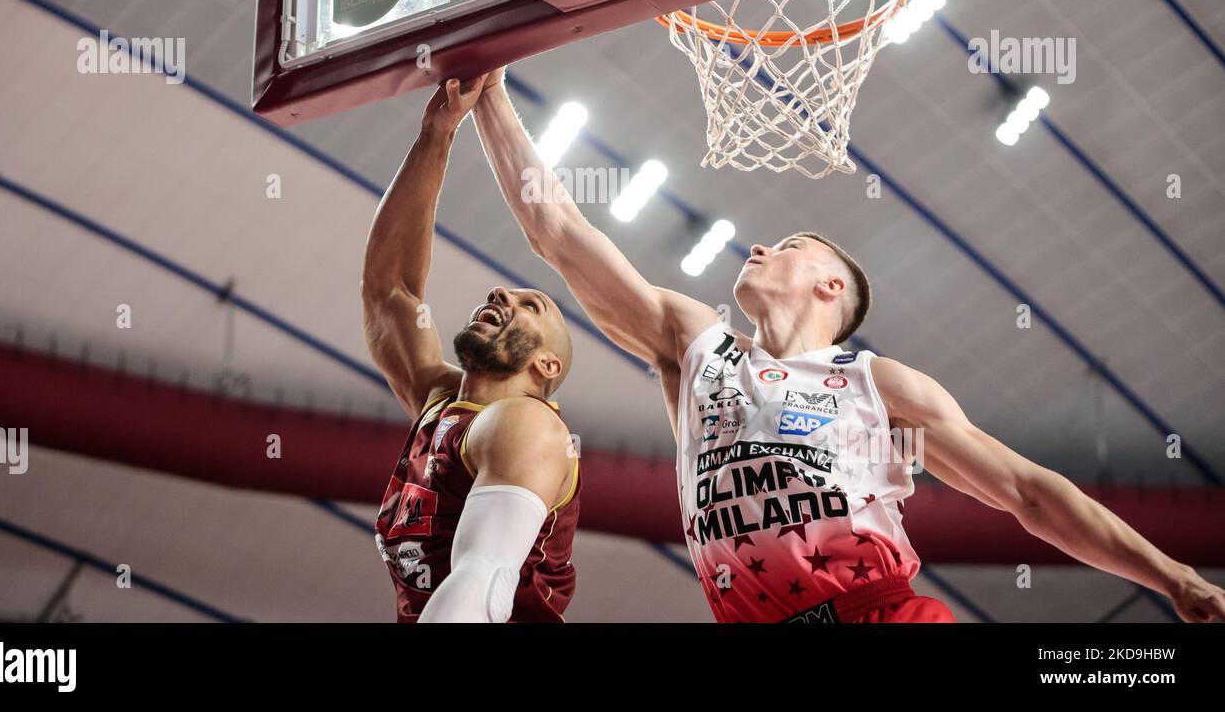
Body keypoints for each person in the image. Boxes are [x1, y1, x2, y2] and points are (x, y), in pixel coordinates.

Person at [466, 38, 1225, 624]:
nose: (759, 248)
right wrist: (489, 94)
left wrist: (1173, 576)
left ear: (832, 286)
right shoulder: (696, 347)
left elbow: (1026, 493)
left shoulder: (878, 384)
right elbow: (557, 232)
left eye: (787, 245)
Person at [361, 75, 580, 622]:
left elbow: (484, 578)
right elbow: (390, 289)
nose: (502, 292)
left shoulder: (526, 426)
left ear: (546, 365)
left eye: (533, 306)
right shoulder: (440, 403)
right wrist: (437, 133)